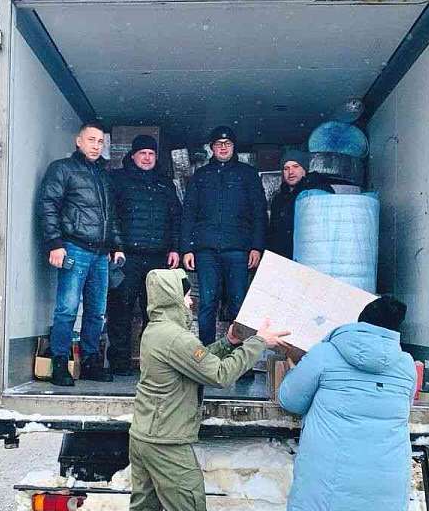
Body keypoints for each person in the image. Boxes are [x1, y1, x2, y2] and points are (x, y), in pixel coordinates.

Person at [106, 269, 289, 511]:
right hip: (168, 446)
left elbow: (196, 362)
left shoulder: (157, 331)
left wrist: (229, 342)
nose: (191, 300)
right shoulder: (176, 338)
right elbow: (219, 374)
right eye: (186, 294)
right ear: (172, 298)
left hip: (145, 438)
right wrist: (259, 342)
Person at [277, 297, 417, 511]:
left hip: (329, 487)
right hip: (382, 486)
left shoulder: (325, 354)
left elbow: (290, 400)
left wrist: (294, 367)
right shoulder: (406, 365)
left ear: (359, 322)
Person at [39, 120, 125, 386]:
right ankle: (59, 363)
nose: (96, 146)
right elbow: (48, 205)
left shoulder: (104, 175)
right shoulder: (62, 169)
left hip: (101, 254)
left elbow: (111, 215)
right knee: (67, 309)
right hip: (74, 248)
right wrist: (54, 243)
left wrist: (116, 246)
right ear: (78, 141)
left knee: (97, 312)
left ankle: (89, 362)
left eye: (100, 142)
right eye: (91, 140)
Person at [180, 126, 268, 345]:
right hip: (206, 251)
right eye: (218, 144)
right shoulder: (201, 176)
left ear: (233, 146)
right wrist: (187, 248)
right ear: (211, 148)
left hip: (238, 250)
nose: (223, 147)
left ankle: (240, 356)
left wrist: (257, 247)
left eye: (227, 143)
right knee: (208, 303)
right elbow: (189, 213)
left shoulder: (247, 174)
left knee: (239, 305)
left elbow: (259, 213)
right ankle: (206, 355)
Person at [106, 134, 182, 375]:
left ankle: (152, 363)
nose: (147, 158)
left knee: (155, 312)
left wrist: (175, 248)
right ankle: (119, 363)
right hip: (127, 256)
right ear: (133, 156)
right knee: (121, 310)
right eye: (143, 153)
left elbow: (175, 218)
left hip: (158, 258)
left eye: (151, 154)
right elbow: (111, 216)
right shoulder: (118, 180)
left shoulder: (165, 183)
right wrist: (115, 247)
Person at [265, 149, 334, 260]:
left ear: (304, 169)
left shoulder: (317, 190)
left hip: (309, 257)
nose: (290, 172)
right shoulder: (278, 199)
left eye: (295, 167)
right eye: (286, 168)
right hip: (283, 260)